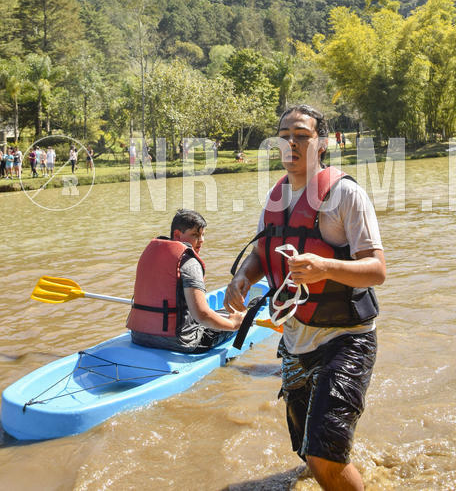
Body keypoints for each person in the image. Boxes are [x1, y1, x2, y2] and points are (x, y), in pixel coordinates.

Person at [226, 105, 386, 491]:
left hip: (347, 337)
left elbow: (377, 270)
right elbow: (263, 256)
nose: (291, 143)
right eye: (284, 135)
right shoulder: (275, 198)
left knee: (323, 455)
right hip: (296, 342)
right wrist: (243, 278)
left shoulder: (345, 194)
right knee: (306, 448)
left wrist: (326, 268)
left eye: (301, 135)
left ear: (323, 143)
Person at [127, 209, 246, 352]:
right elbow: (202, 315)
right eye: (195, 235)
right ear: (177, 235)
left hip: (139, 337)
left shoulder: (149, 255)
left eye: (202, 235)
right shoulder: (189, 263)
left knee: (220, 314)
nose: (201, 240)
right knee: (241, 317)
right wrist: (233, 324)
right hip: (180, 342)